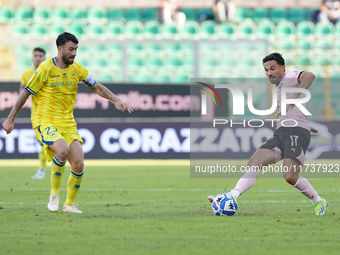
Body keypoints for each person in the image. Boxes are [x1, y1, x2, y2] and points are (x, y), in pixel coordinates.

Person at [2, 32, 133, 213]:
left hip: (68, 123)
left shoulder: (77, 69)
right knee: (62, 150)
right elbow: (26, 92)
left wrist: (116, 99)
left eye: (76, 49)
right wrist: (11, 118)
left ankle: (69, 204)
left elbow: (96, 86)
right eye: (71, 49)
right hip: (45, 121)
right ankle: (54, 193)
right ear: (60, 49)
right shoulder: (45, 68)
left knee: (78, 164)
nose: (74, 53)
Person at [208, 53, 328, 216]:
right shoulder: (279, 87)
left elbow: (310, 75)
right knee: (254, 162)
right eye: (266, 70)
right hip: (283, 132)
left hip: (295, 132)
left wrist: (293, 98)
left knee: (290, 176)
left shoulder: (290, 77)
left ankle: (318, 201)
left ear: (282, 68)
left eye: (272, 68)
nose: (269, 73)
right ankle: (232, 196)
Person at [20, 47, 47, 180]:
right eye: (36, 55)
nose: (38, 58)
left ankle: (45, 169)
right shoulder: (26, 74)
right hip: (36, 114)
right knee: (41, 142)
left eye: (40, 56)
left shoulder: (49, 72)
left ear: (44, 58)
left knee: (49, 143)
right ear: (32, 57)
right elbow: (22, 93)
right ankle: (42, 170)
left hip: (51, 112)